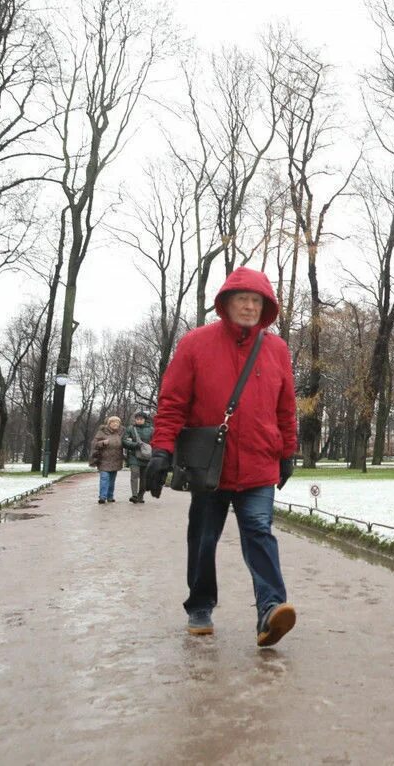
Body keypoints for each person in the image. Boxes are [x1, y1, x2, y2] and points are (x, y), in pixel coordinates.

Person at [143, 267, 299, 647]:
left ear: (266, 307)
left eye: (256, 300)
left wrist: (288, 451)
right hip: (208, 466)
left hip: (260, 461)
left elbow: (286, 407)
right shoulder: (195, 344)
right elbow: (173, 403)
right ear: (225, 304)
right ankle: (200, 605)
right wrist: (162, 449)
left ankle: (270, 610)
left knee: (259, 532)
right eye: (242, 299)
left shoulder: (276, 348)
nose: (249, 306)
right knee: (204, 537)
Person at [89, 416, 125, 504]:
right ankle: (102, 497)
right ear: (109, 424)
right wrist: (102, 443)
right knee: (104, 478)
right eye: (113, 422)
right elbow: (94, 444)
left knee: (112, 481)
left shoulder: (121, 433)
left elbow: (125, 443)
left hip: (116, 460)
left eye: (117, 422)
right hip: (104, 460)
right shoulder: (102, 432)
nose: (115, 424)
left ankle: (110, 496)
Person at [121, 411, 154, 503]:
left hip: (147, 456)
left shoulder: (151, 429)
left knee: (144, 478)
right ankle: (134, 495)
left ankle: (141, 496)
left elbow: (156, 442)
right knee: (134, 474)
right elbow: (124, 441)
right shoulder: (130, 428)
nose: (139, 421)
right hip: (134, 455)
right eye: (137, 419)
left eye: (141, 419)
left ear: (145, 420)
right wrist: (135, 445)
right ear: (135, 419)